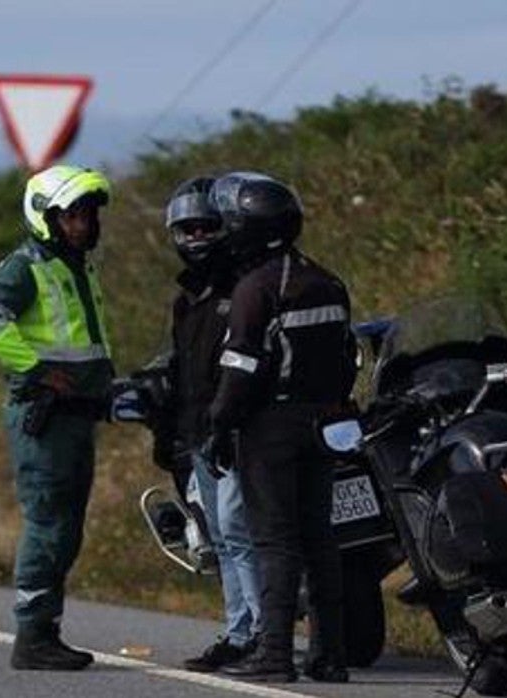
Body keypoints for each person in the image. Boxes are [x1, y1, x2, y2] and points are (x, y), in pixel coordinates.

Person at [203, 172, 356, 683]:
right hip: (327, 421)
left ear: (244, 229)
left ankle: (273, 654)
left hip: (272, 428)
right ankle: (330, 655)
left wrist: (220, 425)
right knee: (320, 537)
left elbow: (241, 368)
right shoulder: (327, 281)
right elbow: (348, 357)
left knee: (275, 541)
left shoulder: (256, 289)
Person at [0, 164, 115, 671]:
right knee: (50, 523)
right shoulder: (26, 266)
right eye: (73, 215)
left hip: (78, 416)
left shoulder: (77, 266)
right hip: (45, 418)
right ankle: (32, 637)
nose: (84, 224)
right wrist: (35, 370)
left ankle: (44, 630)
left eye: (88, 214)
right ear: (45, 217)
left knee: (67, 528)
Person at [161, 176, 263, 672]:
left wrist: (229, 422)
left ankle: (261, 635)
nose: (197, 237)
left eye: (206, 227)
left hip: (238, 433)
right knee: (221, 538)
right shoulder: (186, 300)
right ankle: (239, 630)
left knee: (242, 534)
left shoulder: (244, 288)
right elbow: (184, 372)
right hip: (200, 433)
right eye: (187, 229)